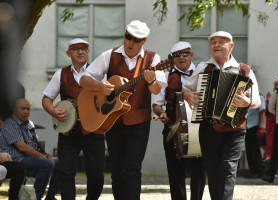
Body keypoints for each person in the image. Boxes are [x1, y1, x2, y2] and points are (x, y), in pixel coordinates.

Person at [80, 20, 167, 200]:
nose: (131, 42)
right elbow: (84, 79)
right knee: (117, 172)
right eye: (128, 37)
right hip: (113, 121)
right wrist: (98, 87)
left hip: (139, 122)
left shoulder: (153, 59)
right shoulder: (109, 55)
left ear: (144, 41)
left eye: (136, 39)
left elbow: (157, 90)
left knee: (132, 169)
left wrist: (151, 80)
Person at [182, 31, 261, 200]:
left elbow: (256, 99)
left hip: (235, 127)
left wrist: (247, 102)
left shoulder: (243, 69)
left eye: (222, 42)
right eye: (213, 42)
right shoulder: (203, 68)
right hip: (208, 126)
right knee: (212, 169)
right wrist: (186, 95)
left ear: (231, 46)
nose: (217, 45)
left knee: (227, 167)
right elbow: (186, 88)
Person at [42, 38, 105, 199]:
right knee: (66, 173)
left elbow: (107, 97)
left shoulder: (98, 73)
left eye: (84, 48)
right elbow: (46, 98)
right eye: (76, 49)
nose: (81, 51)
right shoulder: (60, 74)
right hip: (67, 133)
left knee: (97, 176)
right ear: (68, 53)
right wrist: (53, 111)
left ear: (89, 52)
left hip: (93, 131)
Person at [152, 41, 206, 200]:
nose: (181, 57)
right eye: (177, 55)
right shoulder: (165, 76)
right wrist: (161, 113)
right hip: (173, 128)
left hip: (198, 129)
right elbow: (156, 104)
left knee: (199, 171)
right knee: (175, 173)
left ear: (192, 55)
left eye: (185, 53)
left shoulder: (201, 72)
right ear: (172, 59)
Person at [0, 98, 60, 200]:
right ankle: (36, 197)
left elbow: (35, 145)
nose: (26, 111)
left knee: (60, 162)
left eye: (28, 109)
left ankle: (51, 196)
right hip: (16, 161)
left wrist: (46, 155)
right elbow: (22, 148)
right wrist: (43, 158)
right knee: (47, 164)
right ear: (14, 109)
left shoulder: (29, 124)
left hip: (30, 158)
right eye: (23, 109)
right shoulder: (10, 124)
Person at [262, 81, 278, 178]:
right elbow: (267, 111)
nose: (276, 87)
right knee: (271, 146)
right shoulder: (271, 95)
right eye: (275, 85)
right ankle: (274, 169)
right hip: (270, 124)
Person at [244, 94, 265, 178]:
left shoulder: (260, 97)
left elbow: (262, 111)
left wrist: (261, 126)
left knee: (255, 150)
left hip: (255, 126)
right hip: (247, 127)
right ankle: (252, 171)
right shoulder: (245, 97)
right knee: (249, 149)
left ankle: (258, 171)